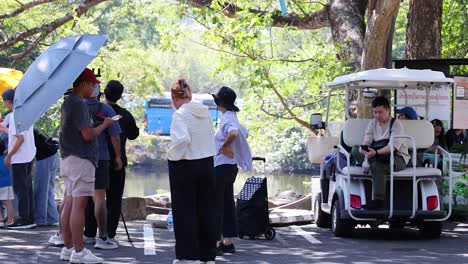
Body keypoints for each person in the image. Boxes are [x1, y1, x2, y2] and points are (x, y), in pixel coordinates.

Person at [58, 68, 116, 263]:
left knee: (69, 203)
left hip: (67, 157)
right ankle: (79, 251)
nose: (94, 88)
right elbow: (88, 134)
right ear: (83, 83)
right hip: (81, 158)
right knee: (79, 205)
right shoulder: (79, 104)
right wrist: (105, 124)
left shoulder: (67, 102)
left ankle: (68, 247)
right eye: (92, 84)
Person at [168, 79, 217, 263]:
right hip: (206, 162)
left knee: (184, 211)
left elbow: (181, 140)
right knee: (206, 210)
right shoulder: (204, 112)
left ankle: (188, 256)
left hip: (185, 165)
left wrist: (171, 154)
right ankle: (208, 254)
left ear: (174, 97)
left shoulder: (180, 114)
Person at [211, 86, 252, 256]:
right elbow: (243, 132)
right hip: (230, 167)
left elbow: (234, 133)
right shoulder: (233, 116)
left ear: (220, 103)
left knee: (216, 204)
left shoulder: (227, 119)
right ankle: (227, 242)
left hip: (221, 166)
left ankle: (216, 241)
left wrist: (225, 145)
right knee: (227, 203)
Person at [351, 96, 410, 209]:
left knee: (377, 164)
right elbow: (367, 140)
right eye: (375, 112)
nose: (377, 115)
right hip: (377, 154)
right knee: (354, 149)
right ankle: (370, 162)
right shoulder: (372, 123)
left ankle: (378, 200)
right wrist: (364, 149)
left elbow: (393, 147)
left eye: (380, 112)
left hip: (397, 157)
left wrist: (376, 153)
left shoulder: (396, 124)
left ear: (388, 110)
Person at [83, 84, 122, 249]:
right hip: (100, 158)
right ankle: (103, 237)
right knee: (99, 199)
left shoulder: (75, 107)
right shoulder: (106, 109)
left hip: (78, 158)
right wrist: (118, 156)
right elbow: (114, 137)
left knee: (74, 198)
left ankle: (69, 236)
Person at [103, 80, 139, 240]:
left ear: (104, 92)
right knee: (115, 199)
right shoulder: (125, 115)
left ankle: (89, 232)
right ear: (120, 96)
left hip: (97, 161)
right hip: (118, 162)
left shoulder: (97, 110)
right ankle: (110, 233)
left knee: (93, 198)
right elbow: (134, 134)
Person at [0, 89, 36, 229]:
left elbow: (20, 138)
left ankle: (24, 218)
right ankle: (29, 217)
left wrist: (9, 156)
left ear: (8, 102)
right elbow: (19, 135)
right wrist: (6, 130)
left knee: (21, 189)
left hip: (19, 157)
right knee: (27, 188)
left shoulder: (15, 116)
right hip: (28, 155)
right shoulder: (26, 114)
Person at [33, 128, 60, 226]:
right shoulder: (32, 128)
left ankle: (40, 219)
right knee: (48, 189)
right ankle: (52, 218)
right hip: (53, 154)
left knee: (41, 189)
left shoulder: (24, 130)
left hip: (45, 157)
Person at [0, 132, 14, 227]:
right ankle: (10, 220)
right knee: (8, 202)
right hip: (8, 183)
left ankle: (0, 220)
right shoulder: (6, 158)